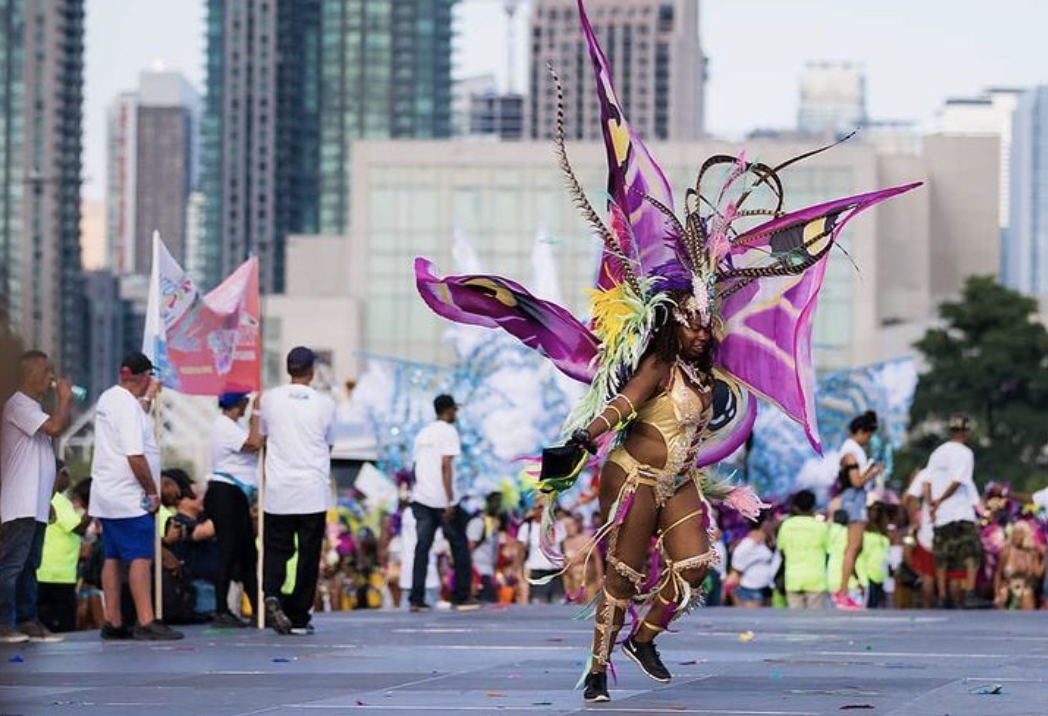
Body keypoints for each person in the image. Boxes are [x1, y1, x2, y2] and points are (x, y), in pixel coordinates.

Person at [412, 2, 916, 703]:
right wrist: (576, 448)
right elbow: (619, 407)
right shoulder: (656, 360)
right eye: (696, 321)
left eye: (710, 322)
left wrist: (714, 484)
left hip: (677, 478)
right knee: (623, 568)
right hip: (631, 475)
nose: (706, 329)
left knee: (696, 565)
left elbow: (699, 438)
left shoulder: (707, 375)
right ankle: (596, 668)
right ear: (675, 322)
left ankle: (643, 641)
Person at [90, 351, 182, 640]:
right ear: (143, 377)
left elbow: (132, 420)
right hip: (129, 496)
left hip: (106, 493)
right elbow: (135, 455)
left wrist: (148, 399)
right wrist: (152, 491)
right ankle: (145, 619)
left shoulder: (109, 398)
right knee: (141, 557)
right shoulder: (128, 406)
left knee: (113, 558)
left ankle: (113, 620)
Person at [260, 347, 336, 635]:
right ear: (311, 370)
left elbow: (262, 437)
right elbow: (328, 446)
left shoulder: (269, 399)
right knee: (307, 554)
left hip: (279, 489)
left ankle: (271, 594)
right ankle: (299, 614)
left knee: (276, 550)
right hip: (312, 490)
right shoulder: (325, 403)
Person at [0, 350, 72, 643]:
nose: (52, 378)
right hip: (19, 503)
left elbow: (43, 453)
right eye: (46, 372)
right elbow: (56, 427)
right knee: (12, 566)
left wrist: (49, 498)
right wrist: (65, 399)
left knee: (29, 566)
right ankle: (4, 622)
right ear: (29, 375)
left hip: (36, 504)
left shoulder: (36, 411)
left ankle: (28, 621)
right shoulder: (18, 405)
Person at [408, 394, 478, 612]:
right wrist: (448, 500)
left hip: (421, 498)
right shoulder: (448, 432)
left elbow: (415, 467)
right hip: (441, 499)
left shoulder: (423, 434)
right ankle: (461, 596)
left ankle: (416, 599)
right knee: (459, 546)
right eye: (454, 410)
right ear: (448, 411)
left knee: (422, 548)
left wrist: (418, 490)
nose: (456, 414)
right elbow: (445, 465)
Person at [205, 391, 262, 628]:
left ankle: (258, 609)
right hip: (225, 492)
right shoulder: (224, 426)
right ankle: (221, 608)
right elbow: (253, 443)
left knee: (248, 552)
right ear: (241, 402)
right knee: (228, 551)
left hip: (237, 495)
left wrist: (253, 420)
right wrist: (258, 413)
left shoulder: (234, 425)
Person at [924, 415, 987, 609]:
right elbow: (959, 481)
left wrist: (932, 505)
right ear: (966, 432)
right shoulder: (965, 453)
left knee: (942, 557)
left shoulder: (938, 452)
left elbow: (926, 482)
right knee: (971, 554)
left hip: (941, 515)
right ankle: (969, 593)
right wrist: (941, 500)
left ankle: (942, 595)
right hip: (960, 512)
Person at [834, 411, 884, 610]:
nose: (869, 439)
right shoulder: (851, 452)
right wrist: (873, 472)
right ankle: (843, 591)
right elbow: (856, 481)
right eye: (868, 435)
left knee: (857, 546)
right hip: (854, 499)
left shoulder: (854, 450)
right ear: (861, 432)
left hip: (857, 499)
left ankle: (852, 583)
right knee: (853, 547)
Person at [37, 461, 90, 633]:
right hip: (58, 576)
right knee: (63, 627)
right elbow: (79, 527)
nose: (68, 478)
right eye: (65, 473)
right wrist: (96, 505)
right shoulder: (59, 500)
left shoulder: (41, 496)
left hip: (42, 572)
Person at [777, 490, 829, 609]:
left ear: (795, 506)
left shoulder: (786, 525)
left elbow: (781, 551)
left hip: (793, 578)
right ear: (813, 506)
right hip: (816, 580)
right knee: (815, 622)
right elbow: (828, 551)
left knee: (795, 623)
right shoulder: (821, 527)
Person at [729, 513, 777, 607]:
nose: (773, 524)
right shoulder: (747, 545)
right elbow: (735, 570)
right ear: (764, 523)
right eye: (770, 521)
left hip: (766, 588)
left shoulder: (764, 542)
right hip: (751, 590)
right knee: (752, 620)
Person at [467, 492, 504, 603]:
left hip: (489, 572)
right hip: (478, 573)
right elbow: (469, 548)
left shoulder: (495, 527)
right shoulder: (478, 522)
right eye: (495, 503)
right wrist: (471, 578)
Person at [857, 502, 891, 608]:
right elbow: (859, 556)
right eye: (873, 510)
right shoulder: (863, 531)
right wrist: (862, 579)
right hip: (868, 575)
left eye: (878, 510)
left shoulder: (884, 533)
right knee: (869, 607)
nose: (875, 513)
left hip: (881, 576)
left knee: (877, 608)